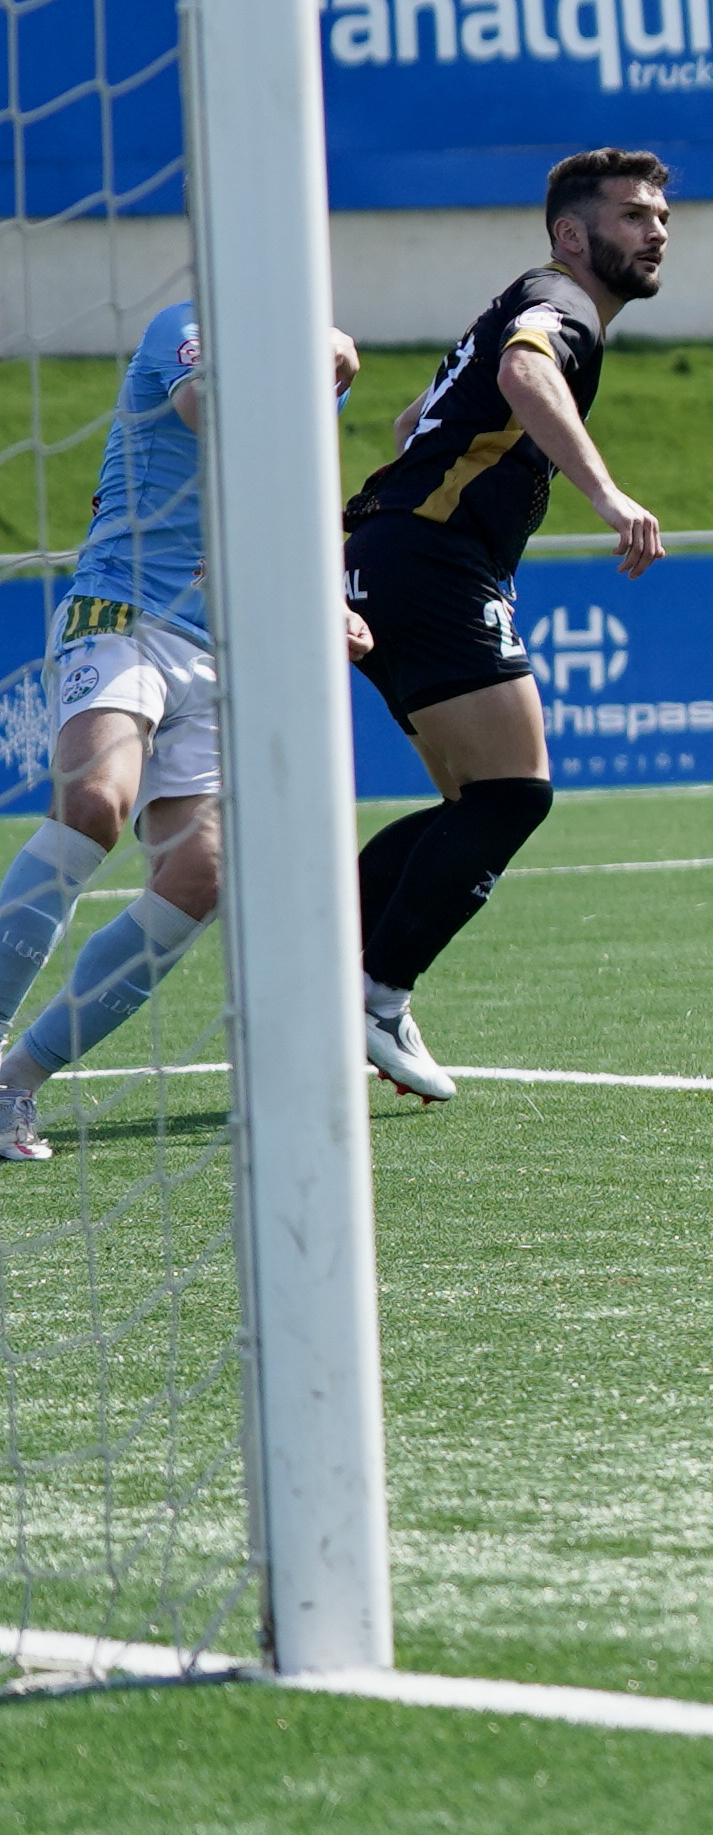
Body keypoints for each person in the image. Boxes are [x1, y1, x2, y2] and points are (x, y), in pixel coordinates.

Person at [335, 146, 676, 1099]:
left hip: (387, 554)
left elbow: (416, 423)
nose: (655, 230)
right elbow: (526, 375)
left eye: (660, 216)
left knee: (475, 804)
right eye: (632, 214)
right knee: (512, 795)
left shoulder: (523, 299)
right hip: (430, 562)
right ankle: (373, 993)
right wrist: (606, 495)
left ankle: (329, 976)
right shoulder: (560, 305)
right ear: (573, 234)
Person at [0, 298, 359, 1160]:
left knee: (200, 876)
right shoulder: (188, 323)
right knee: (94, 801)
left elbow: (285, 497)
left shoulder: (318, 372)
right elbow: (214, 414)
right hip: (120, 609)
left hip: (223, 643)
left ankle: (16, 1083)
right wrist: (321, 359)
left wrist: (327, 597)